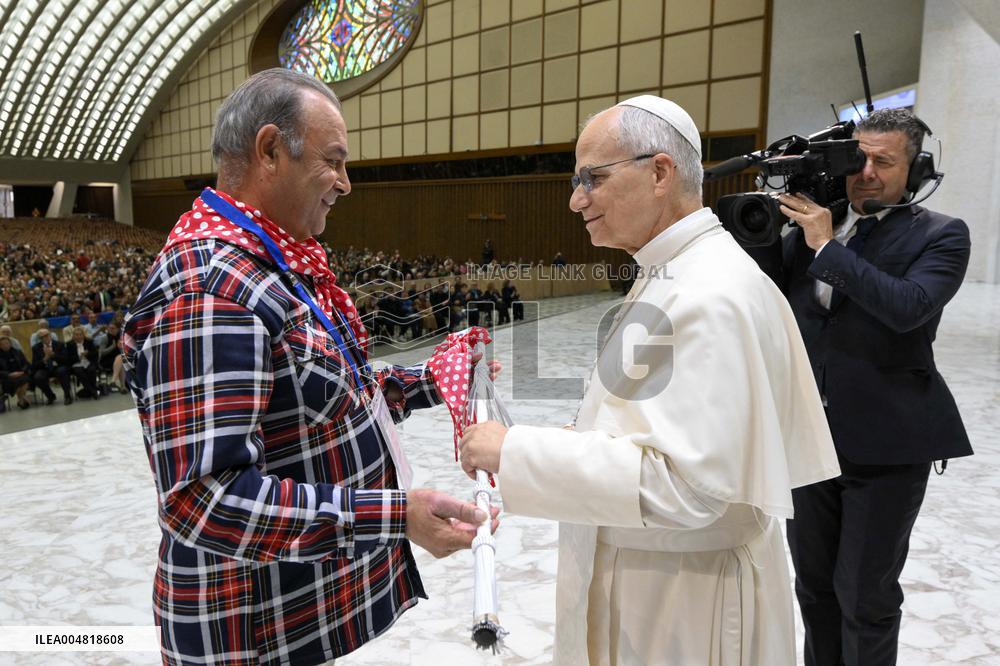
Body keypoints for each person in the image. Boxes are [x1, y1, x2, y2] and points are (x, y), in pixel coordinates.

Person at [121, 68, 498, 666]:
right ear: (270, 150)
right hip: (246, 631)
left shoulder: (273, 262)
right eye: (333, 161)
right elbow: (205, 501)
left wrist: (430, 380)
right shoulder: (213, 291)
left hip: (287, 612)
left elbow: (320, 396)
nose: (345, 184)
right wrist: (393, 516)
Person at [458, 95, 841, 665]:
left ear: (660, 173)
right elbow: (655, 422)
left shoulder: (708, 292)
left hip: (685, 603)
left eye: (593, 178)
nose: (576, 199)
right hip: (659, 582)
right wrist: (576, 438)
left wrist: (515, 452)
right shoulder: (673, 270)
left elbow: (692, 486)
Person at [748, 107, 973, 666]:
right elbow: (763, 293)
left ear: (914, 169)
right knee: (814, 588)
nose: (867, 172)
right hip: (809, 440)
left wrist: (828, 248)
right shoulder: (811, 226)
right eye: (858, 158)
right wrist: (766, 225)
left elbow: (908, 308)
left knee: (865, 597)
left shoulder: (941, 234)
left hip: (887, 445)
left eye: (883, 161)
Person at [31, 328, 72, 405]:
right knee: (38, 377)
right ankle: (50, 396)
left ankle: (67, 396)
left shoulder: (59, 344)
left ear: (50, 335)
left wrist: (53, 355)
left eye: (46, 335)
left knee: (62, 371)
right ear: (40, 339)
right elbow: (34, 364)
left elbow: (66, 359)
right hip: (44, 368)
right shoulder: (36, 348)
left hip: (58, 366)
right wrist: (45, 359)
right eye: (42, 337)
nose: (45, 338)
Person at [0, 334, 32, 409]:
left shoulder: (17, 352)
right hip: (6, 377)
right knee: (17, 382)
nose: (5, 345)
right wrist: (9, 374)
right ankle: (21, 400)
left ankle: (20, 400)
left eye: (7, 343)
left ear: (10, 343)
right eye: (3, 344)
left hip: (21, 374)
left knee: (25, 379)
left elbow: (26, 363)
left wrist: (22, 372)